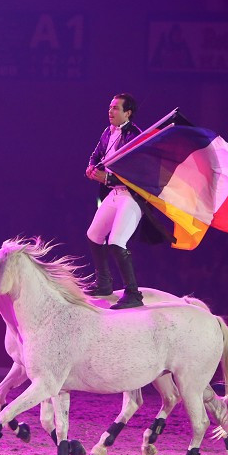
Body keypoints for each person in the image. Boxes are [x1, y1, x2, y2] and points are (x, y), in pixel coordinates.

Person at [85, 93, 146, 309]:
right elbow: (96, 154)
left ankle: (133, 293)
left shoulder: (135, 136)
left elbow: (136, 172)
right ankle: (104, 283)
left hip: (132, 195)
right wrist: (92, 167)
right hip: (114, 193)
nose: (110, 111)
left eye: (116, 108)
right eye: (110, 107)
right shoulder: (107, 132)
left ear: (127, 113)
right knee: (94, 235)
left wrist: (107, 177)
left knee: (116, 242)